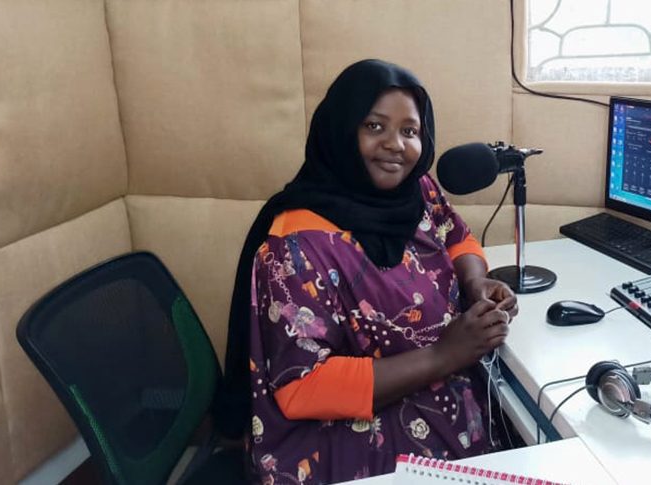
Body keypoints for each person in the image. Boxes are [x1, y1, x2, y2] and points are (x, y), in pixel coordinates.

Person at [218, 59, 518, 484]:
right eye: (375, 127)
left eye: (409, 131)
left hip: (443, 394)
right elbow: (303, 388)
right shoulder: (294, 246)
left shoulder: (416, 188)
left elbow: (456, 235)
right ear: (341, 130)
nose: (396, 145)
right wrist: (443, 356)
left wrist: (474, 280)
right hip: (341, 442)